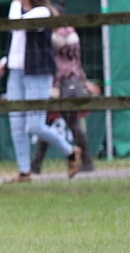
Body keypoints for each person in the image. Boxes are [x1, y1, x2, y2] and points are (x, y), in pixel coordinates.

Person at [0, 0, 80, 181]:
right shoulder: (24, 11)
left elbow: (17, 23)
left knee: (35, 125)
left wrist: (15, 3)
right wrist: (4, 63)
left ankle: (70, 152)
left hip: (37, 72)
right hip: (16, 71)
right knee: (16, 123)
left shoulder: (42, 12)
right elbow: (16, 41)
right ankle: (24, 171)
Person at [30, 24, 96, 174]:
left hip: (68, 83)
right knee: (46, 122)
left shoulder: (68, 34)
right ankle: (36, 164)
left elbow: (70, 56)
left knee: (72, 122)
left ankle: (86, 161)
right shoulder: (56, 33)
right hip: (54, 85)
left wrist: (46, 35)